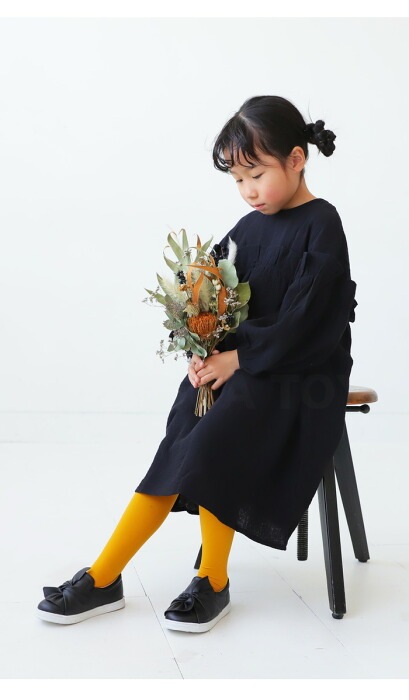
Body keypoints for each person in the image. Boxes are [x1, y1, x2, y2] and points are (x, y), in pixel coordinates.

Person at [37, 95, 358, 632]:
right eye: (238, 180)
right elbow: (208, 294)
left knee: (216, 437)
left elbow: (312, 321)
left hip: (300, 373)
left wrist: (240, 358)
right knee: (184, 434)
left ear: (296, 159)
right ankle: (104, 574)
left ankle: (212, 578)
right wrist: (202, 348)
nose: (248, 191)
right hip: (244, 366)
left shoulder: (321, 223)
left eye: (257, 175)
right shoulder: (248, 228)